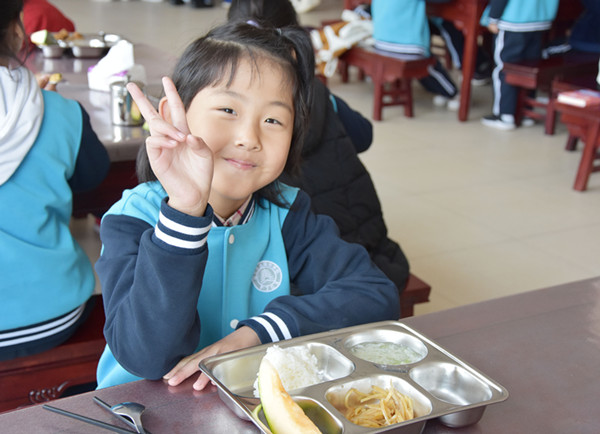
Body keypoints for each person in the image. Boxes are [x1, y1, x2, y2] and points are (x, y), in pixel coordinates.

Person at [94, 20, 400, 390]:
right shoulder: (131, 218)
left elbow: (374, 293)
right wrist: (185, 212)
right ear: (175, 115)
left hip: (245, 403)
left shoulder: (288, 214)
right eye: (228, 110)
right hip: (139, 408)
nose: (249, 138)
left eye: (273, 119)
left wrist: (260, 332)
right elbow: (146, 357)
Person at [228, 0, 410, 297]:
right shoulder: (315, 90)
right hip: (369, 248)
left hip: (305, 271)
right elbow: (363, 136)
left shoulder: (240, 123)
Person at [0, 0, 110, 361]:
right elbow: (93, 175)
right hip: (51, 313)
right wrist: (42, 104)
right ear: (16, 32)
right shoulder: (56, 111)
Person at [480, 0, 560, 131]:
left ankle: (505, 115)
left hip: (513, 21)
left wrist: (493, 18)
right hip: (540, 20)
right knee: (529, 70)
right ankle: (526, 113)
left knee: (504, 68)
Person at [370, 0, 459, 110]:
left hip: (381, 45)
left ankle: (440, 91)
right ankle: (453, 94)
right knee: (429, 64)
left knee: (421, 61)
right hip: (408, 47)